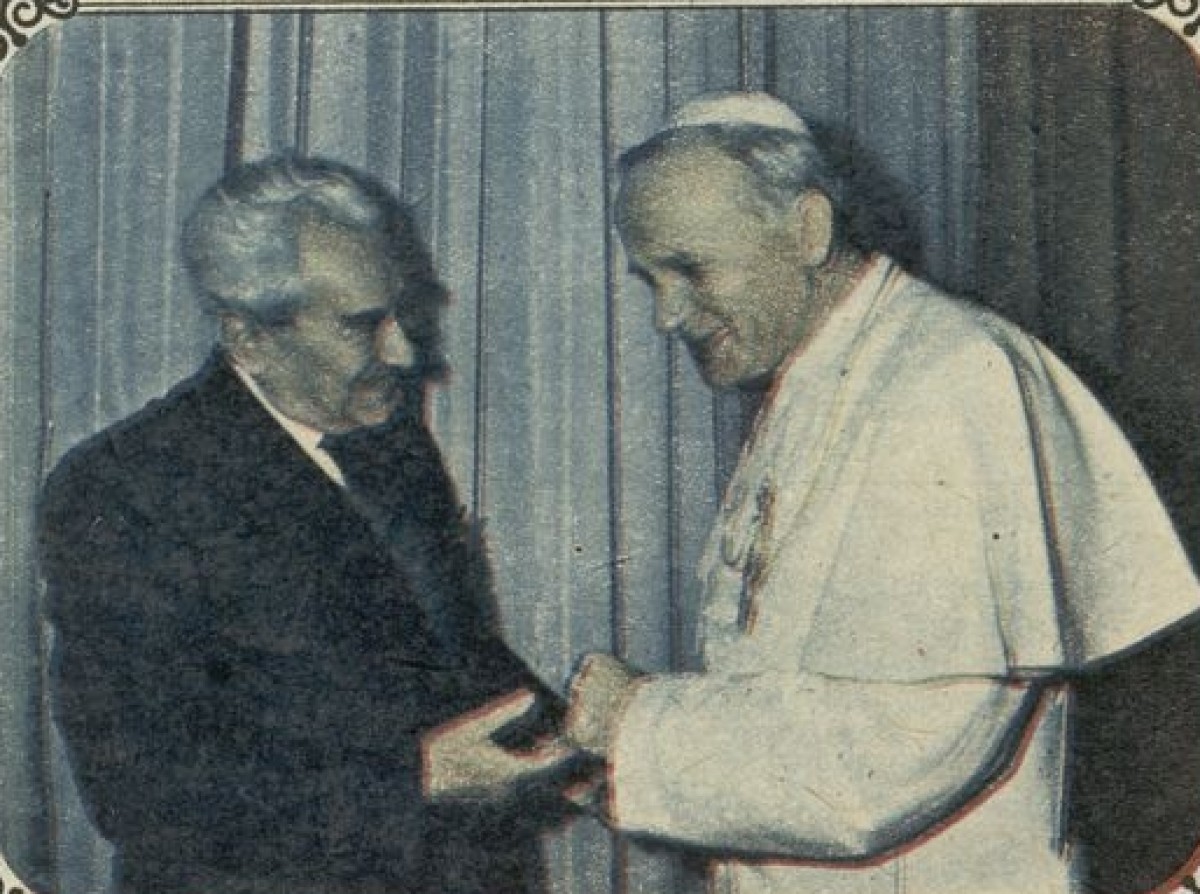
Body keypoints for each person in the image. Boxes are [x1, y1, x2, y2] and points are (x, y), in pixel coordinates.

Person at [546, 93, 1200, 892]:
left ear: (808, 230)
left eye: (690, 268)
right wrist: (614, 761)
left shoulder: (950, 377)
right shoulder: (815, 379)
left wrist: (639, 723)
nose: (665, 315)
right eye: (650, 279)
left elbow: (897, 753)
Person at [37, 155, 575, 894]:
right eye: (363, 325)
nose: (404, 352)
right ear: (248, 338)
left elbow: (448, 651)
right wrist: (417, 777)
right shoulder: (125, 487)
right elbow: (140, 791)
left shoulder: (389, 439)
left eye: (400, 313)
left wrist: (582, 738)